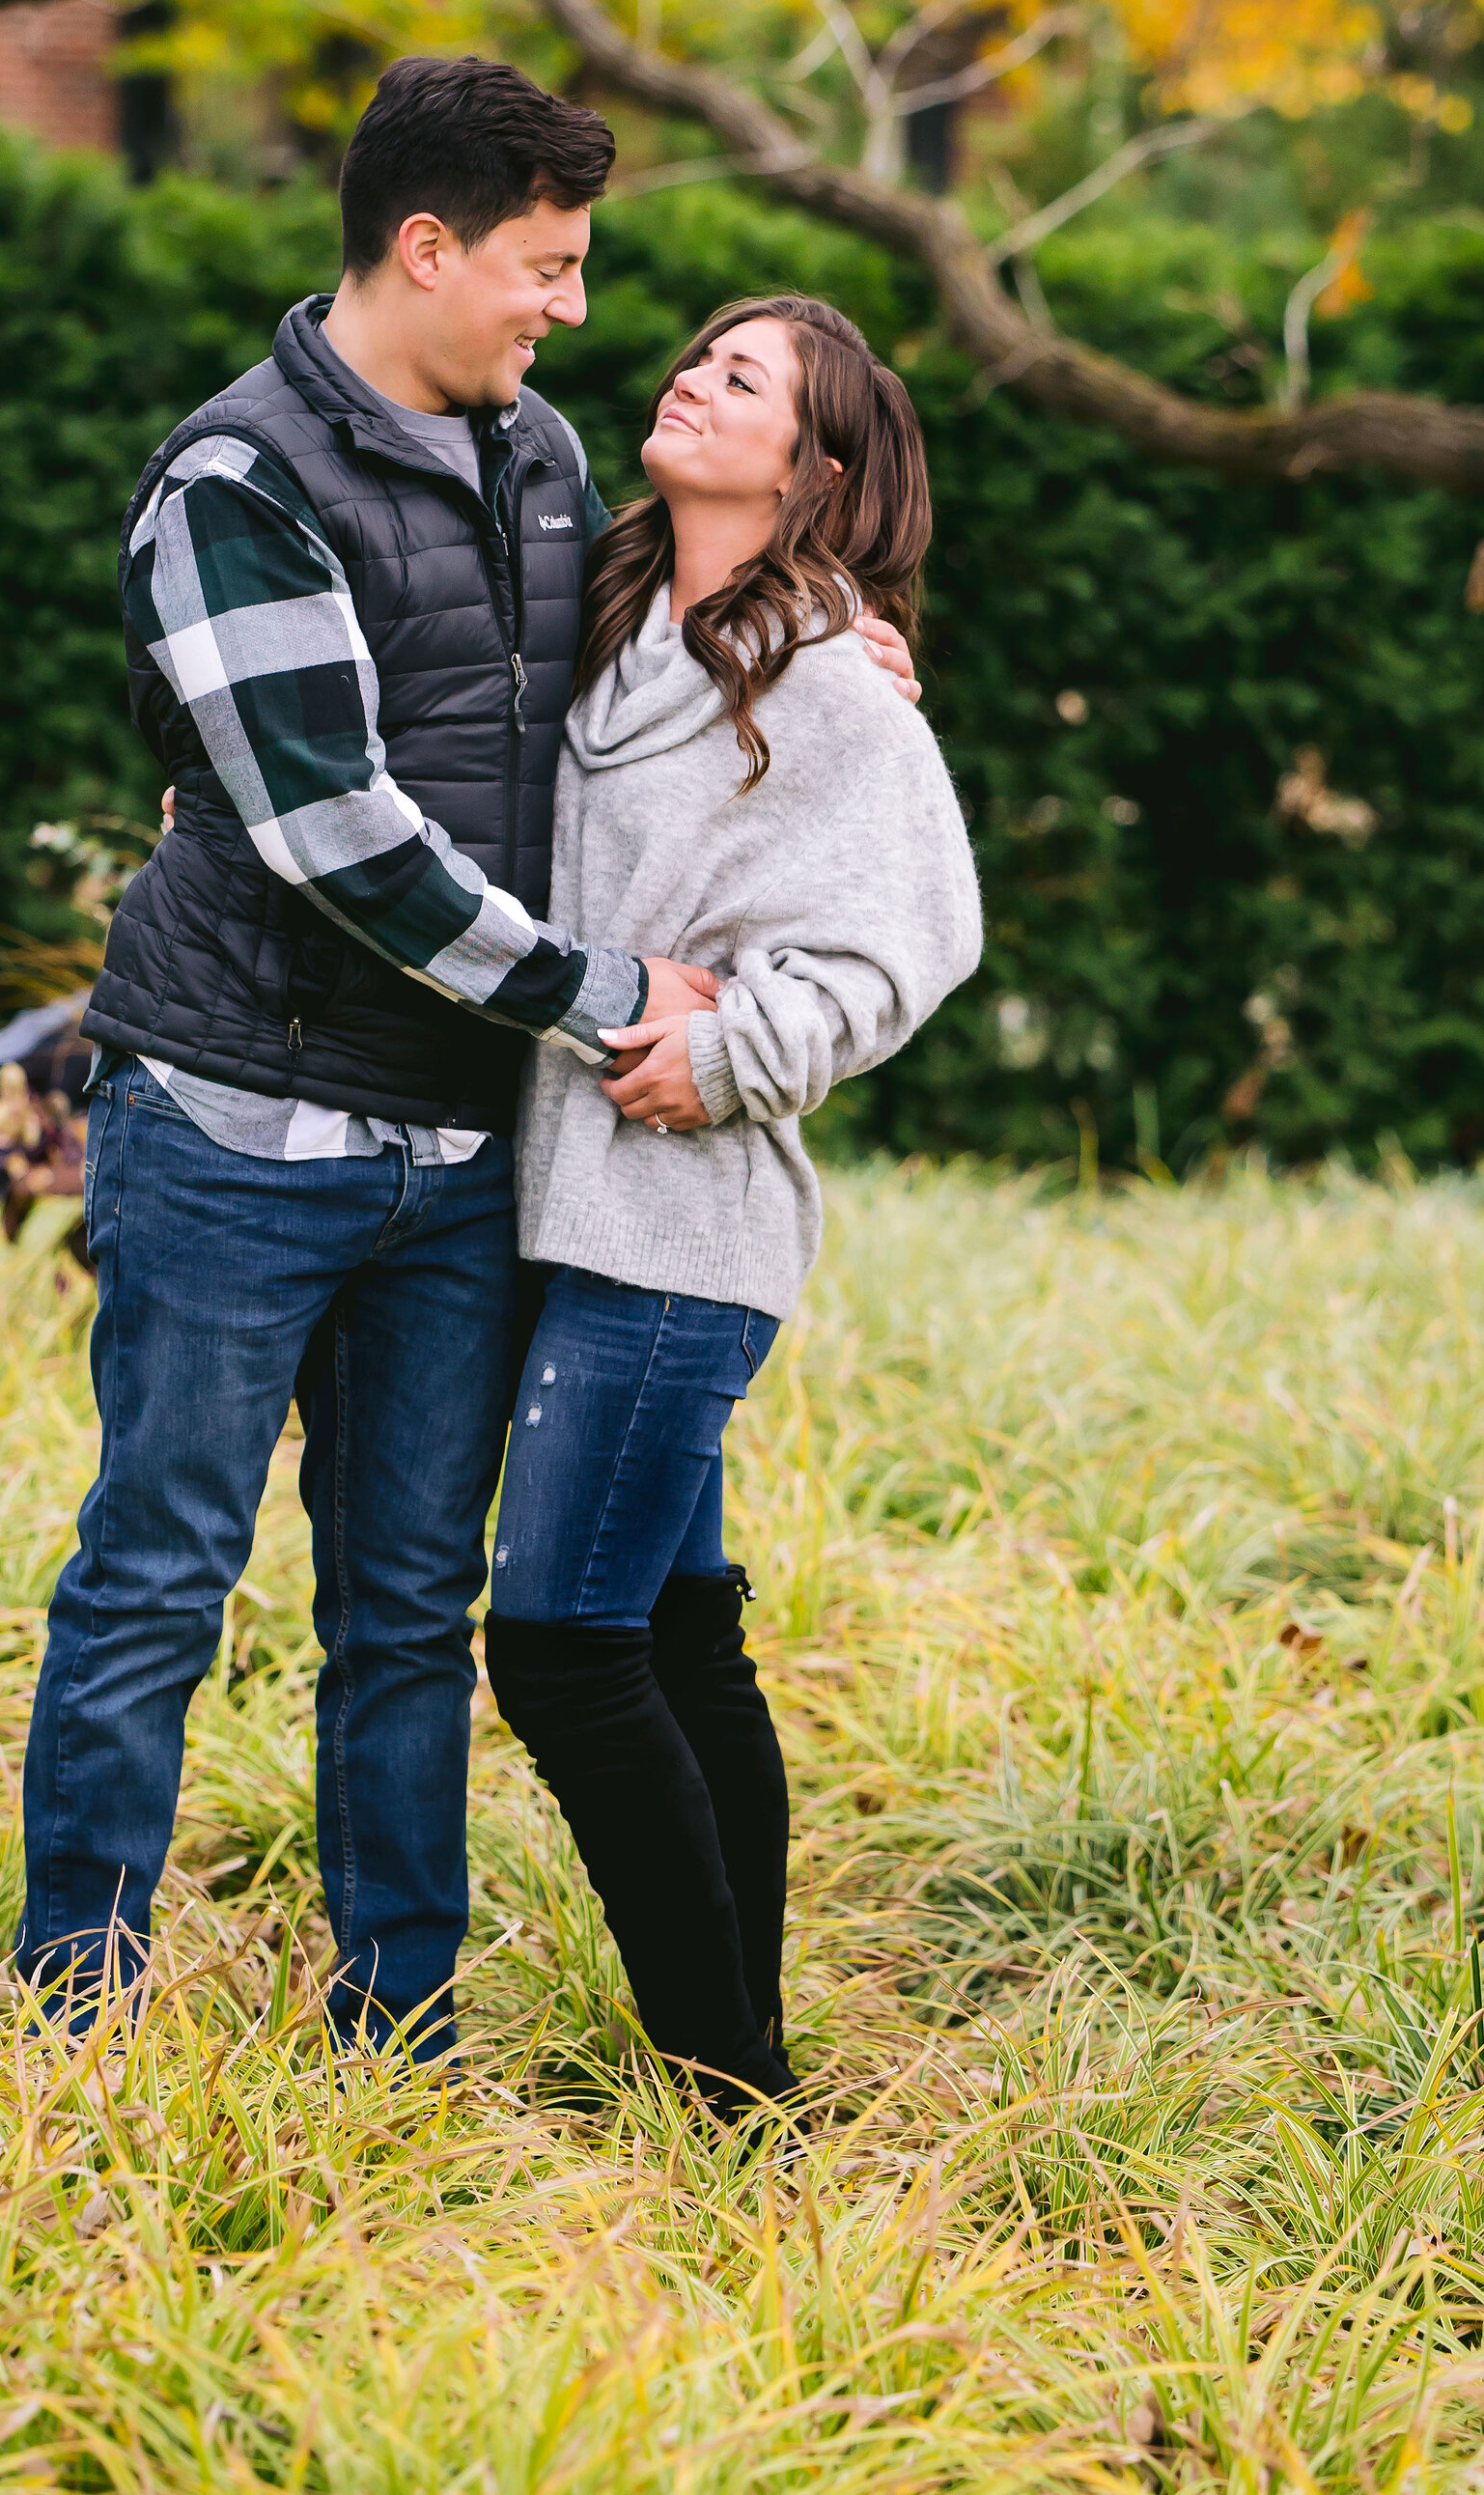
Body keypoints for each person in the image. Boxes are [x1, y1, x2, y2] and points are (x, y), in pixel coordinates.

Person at [15, 61, 910, 2056]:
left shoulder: (532, 454)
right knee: (159, 1571)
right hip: (237, 1116)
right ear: (424, 247)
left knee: (408, 1610)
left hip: (451, 1149)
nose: (571, 309)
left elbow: (652, 650)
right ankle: (67, 2002)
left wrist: (837, 630)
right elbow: (332, 829)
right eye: (546, 264)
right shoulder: (233, 487)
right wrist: (604, 996)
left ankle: (392, 2016)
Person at [490, 294, 982, 2114]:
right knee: (682, 1630)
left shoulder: (834, 684)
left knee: (557, 1643)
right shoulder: (628, 628)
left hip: (679, 1222)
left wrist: (735, 1051)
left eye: (745, 377)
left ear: (818, 467)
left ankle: (728, 2079)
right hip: (559, 1205)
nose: (694, 375)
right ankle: (742, 2052)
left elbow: (913, 936)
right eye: (699, 352)